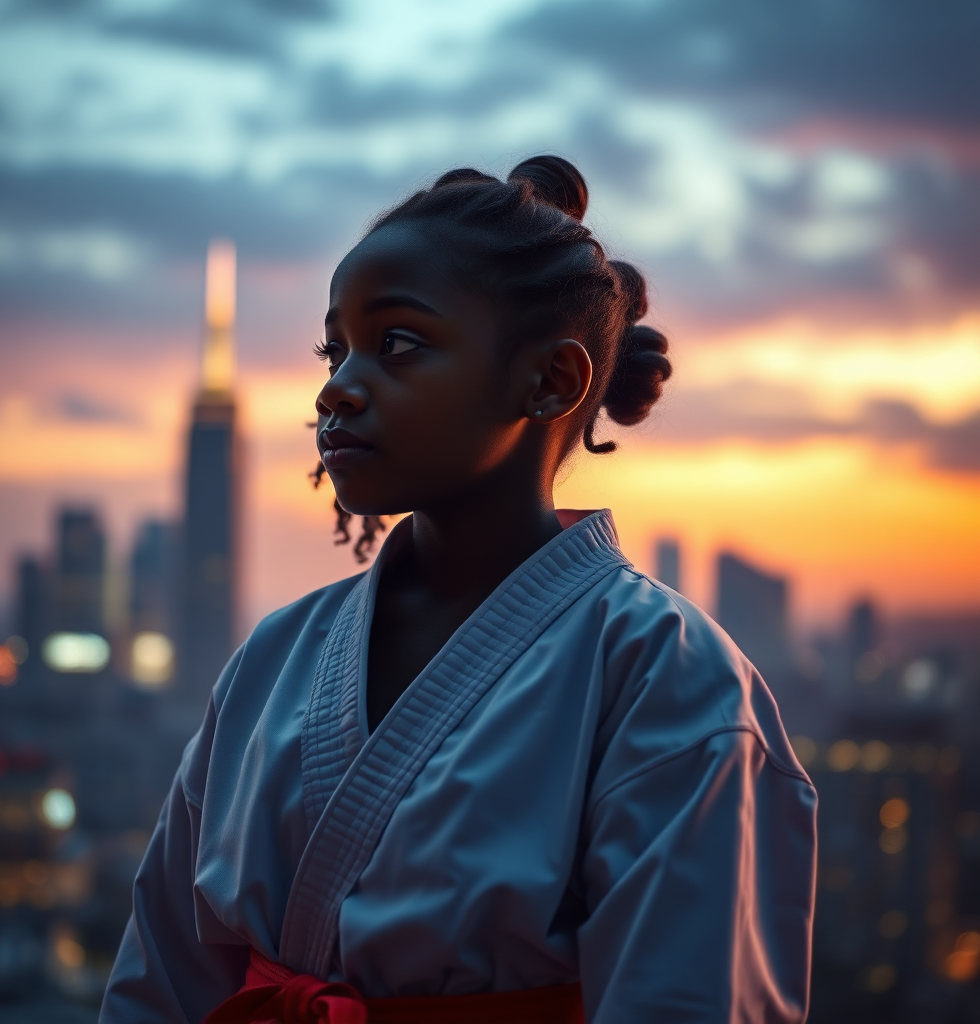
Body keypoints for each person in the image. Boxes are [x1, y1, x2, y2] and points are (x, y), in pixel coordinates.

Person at [101, 156, 817, 1024]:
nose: (338, 387)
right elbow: (160, 981)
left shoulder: (669, 678)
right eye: (337, 349)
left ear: (551, 381)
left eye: (397, 343)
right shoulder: (275, 657)